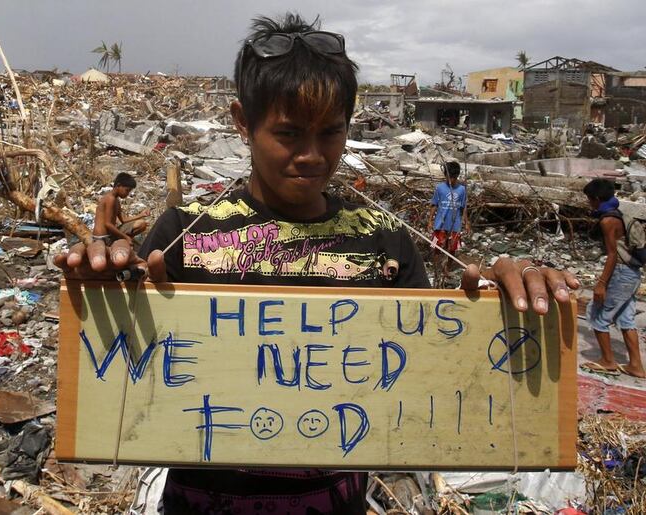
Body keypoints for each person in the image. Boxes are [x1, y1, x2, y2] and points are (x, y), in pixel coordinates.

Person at [57, 13, 578, 514]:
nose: (311, 154)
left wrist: (506, 302)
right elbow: (129, 371)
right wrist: (102, 289)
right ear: (243, 122)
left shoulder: (385, 242)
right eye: (288, 134)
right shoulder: (184, 236)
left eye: (330, 132)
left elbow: (433, 366)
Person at [580, 178, 644, 378]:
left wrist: (601, 284)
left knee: (597, 314)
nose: (589, 203)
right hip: (633, 274)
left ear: (597, 199)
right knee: (626, 319)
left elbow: (612, 255)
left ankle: (608, 361)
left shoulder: (608, 221)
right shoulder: (620, 214)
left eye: (590, 199)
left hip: (621, 273)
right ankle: (636, 366)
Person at [428, 161, 469, 278]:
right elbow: (434, 205)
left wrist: (466, 222)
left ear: (456, 176)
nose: (450, 180)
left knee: (452, 248)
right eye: (448, 177)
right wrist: (430, 220)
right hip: (439, 224)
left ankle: (447, 269)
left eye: (453, 178)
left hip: (455, 224)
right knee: (436, 246)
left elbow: (463, 207)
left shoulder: (462, 190)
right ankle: (436, 268)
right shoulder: (440, 188)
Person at [92, 172, 150, 246]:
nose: (127, 194)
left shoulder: (116, 200)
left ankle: (127, 240)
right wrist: (125, 236)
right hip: (102, 237)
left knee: (142, 224)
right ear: (118, 185)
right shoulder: (110, 199)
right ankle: (125, 241)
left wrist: (141, 215)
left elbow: (123, 220)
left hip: (110, 234)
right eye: (126, 190)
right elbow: (108, 224)